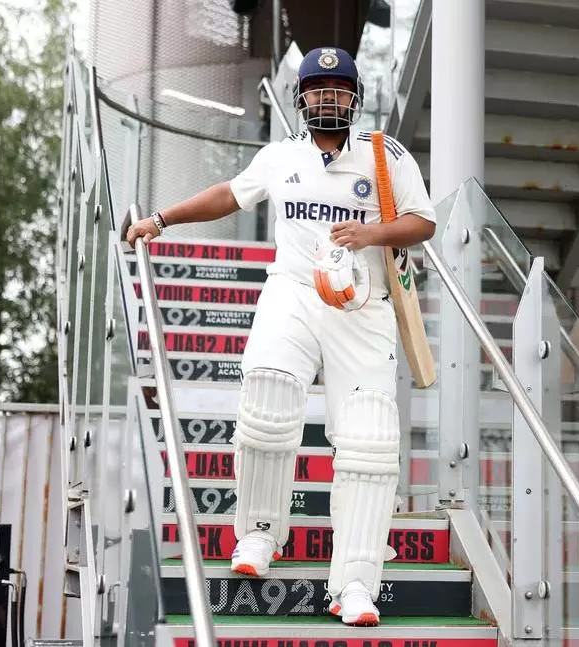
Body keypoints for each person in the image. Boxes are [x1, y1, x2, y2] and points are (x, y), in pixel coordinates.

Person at [125, 46, 436, 627]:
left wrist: (370, 235)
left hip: (361, 305)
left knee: (369, 438)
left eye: (337, 90)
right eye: (317, 90)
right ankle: (259, 534)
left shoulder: (384, 155)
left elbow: (424, 222)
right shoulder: (279, 156)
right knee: (266, 397)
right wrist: (161, 220)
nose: (327, 98)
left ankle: (356, 584)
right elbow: (229, 194)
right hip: (292, 291)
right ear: (302, 98)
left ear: (354, 98)